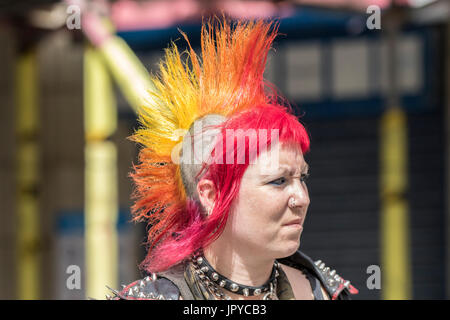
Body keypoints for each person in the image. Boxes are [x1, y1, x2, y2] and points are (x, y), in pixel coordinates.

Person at [109, 19, 358, 300]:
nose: (301, 198)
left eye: (302, 178)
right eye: (278, 181)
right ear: (210, 194)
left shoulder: (323, 292)